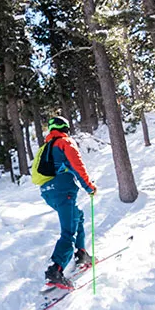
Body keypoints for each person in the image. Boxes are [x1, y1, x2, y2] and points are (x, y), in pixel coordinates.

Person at [39, 116, 97, 289]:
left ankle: (81, 253)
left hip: (48, 192)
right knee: (68, 230)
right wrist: (89, 187)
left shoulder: (46, 147)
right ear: (65, 128)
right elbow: (77, 166)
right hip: (64, 191)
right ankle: (55, 270)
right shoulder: (65, 142)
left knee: (77, 216)